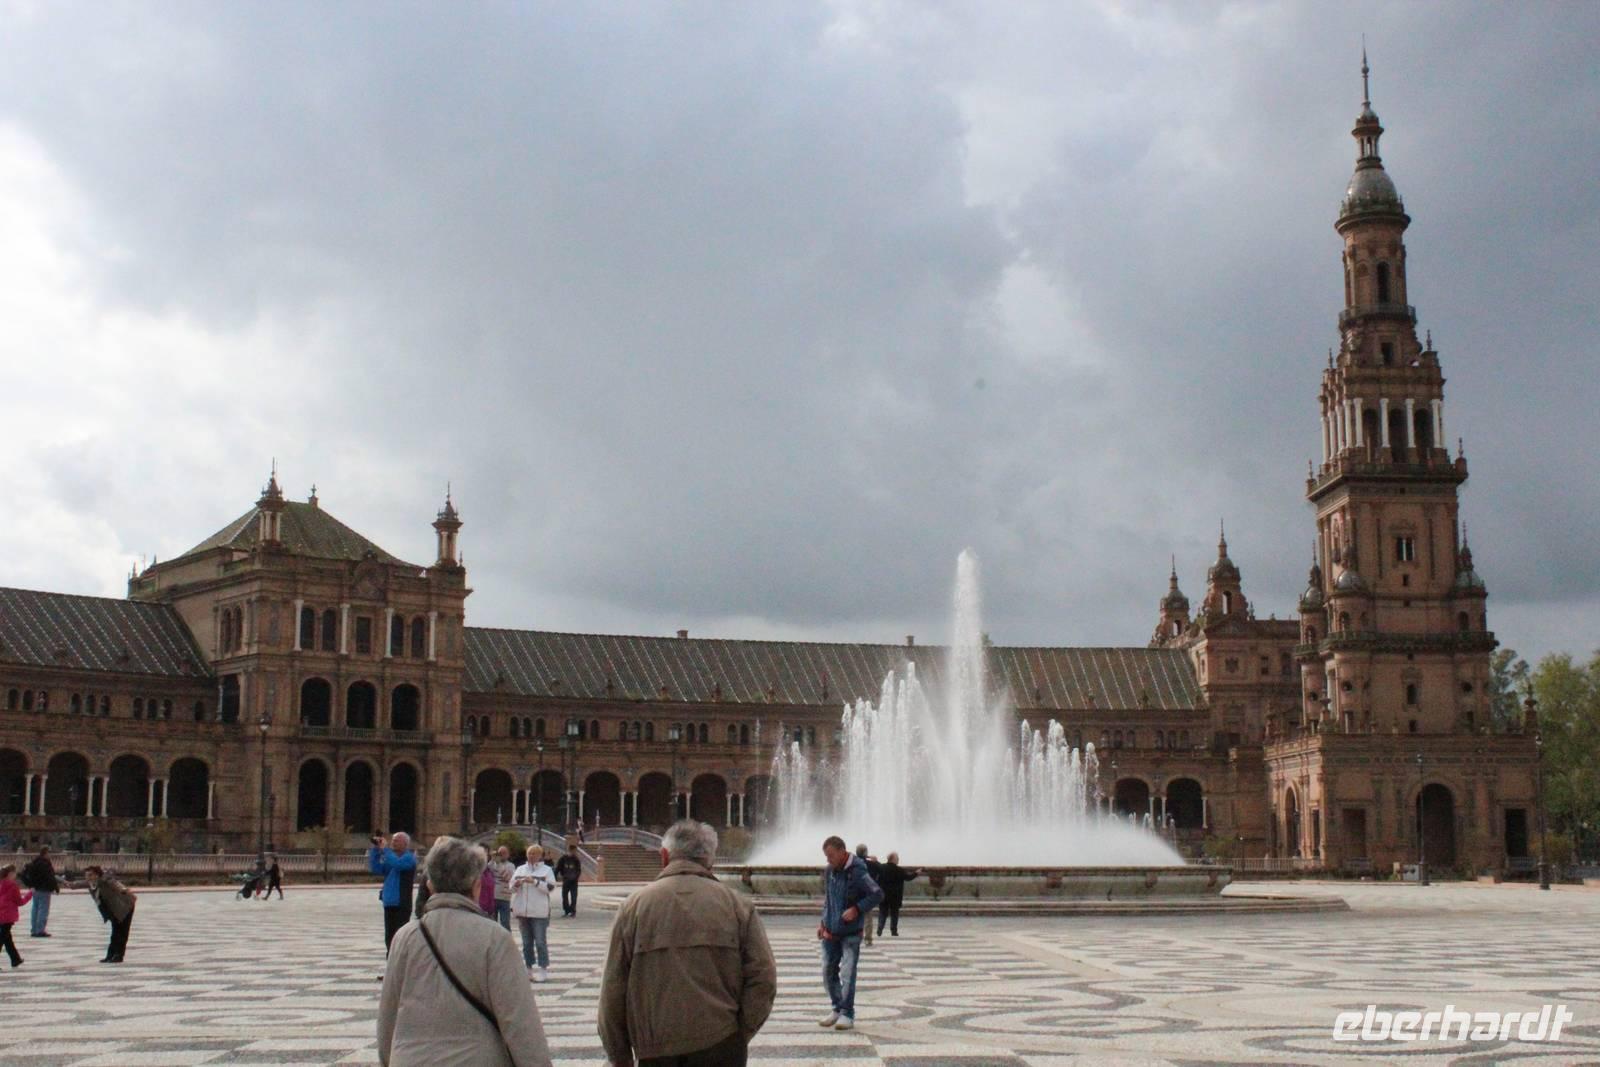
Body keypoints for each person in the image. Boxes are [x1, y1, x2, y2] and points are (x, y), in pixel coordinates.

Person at [599, 820, 777, 1067]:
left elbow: (612, 988)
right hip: (721, 1043)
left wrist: (620, 1056)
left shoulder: (634, 906)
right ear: (710, 859)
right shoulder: (737, 905)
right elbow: (764, 977)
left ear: (664, 856)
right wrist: (738, 1032)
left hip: (656, 1049)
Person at [376, 835, 553, 1067]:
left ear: (430, 886)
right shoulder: (495, 938)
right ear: (476, 885)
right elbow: (519, 1021)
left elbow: (387, 1015)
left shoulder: (405, 937)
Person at [817, 834, 882, 1031]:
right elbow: (829, 899)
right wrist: (822, 922)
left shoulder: (858, 872)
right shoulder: (830, 871)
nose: (828, 860)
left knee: (847, 972)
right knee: (827, 970)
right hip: (830, 930)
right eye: (826, 856)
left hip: (851, 932)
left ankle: (847, 1012)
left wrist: (857, 909)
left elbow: (877, 894)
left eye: (831, 856)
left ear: (842, 852)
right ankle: (837, 1007)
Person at [369, 832, 419, 958]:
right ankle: (390, 963)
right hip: (389, 902)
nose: (393, 843)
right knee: (389, 938)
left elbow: (398, 864)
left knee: (400, 937)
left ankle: (401, 963)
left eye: (396, 840)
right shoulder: (390, 857)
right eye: (393, 840)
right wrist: (375, 850)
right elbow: (376, 868)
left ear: (405, 844)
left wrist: (385, 850)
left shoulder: (409, 858)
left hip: (402, 903)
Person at [510, 845, 556, 982]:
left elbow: (550, 887)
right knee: (526, 943)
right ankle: (528, 969)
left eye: (534, 854)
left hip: (539, 912)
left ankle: (543, 969)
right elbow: (511, 887)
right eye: (529, 853)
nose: (531, 856)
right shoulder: (520, 869)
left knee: (540, 941)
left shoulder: (546, 870)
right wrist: (517, 884)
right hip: (523, 911)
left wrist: (535, 882)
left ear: (540, 855)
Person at [83, 865, 136, 963]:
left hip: (125, 907)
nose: (88, 878)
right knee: (115, 932)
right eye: (86, 875)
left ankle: (118, 956)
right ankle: (110, 955)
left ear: (97, 875)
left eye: (90, 875)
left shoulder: (105, 880)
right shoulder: (92, 884)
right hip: (114, 909)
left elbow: (115, 884)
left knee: (121, 932)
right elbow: (75, 884)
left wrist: (124, 889)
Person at [874, 852, 920, 937]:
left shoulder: (882, 868)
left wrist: (876, 861)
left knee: (882, 913)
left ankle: (879, 929)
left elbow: (877, 868)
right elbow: (908, 878)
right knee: (894, 914)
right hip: (895, 896)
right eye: (897, 858)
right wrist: (916, 873)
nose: (898, 859)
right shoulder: (899, 870)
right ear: (893, 859)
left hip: (883, 896)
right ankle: (894, 931)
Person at [0, 864, 34, 968]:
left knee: (7, 939)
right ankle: (15, 959)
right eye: (15, 873)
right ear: (10, 874)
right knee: (2, 938)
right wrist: (30, 894)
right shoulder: (12, 885)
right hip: (8, 915)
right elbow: (20, 902)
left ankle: (15, 959)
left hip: (1, 914)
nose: (15, 875)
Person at [21, 846, 59, 937]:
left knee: (35, 909)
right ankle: (40, 930)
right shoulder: (45, 864)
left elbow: (23, 875)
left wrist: (30, 885)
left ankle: (34, 930)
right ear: (46, 853)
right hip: (44, 889)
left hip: (36, 889)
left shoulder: (34, 862)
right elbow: (50, 877)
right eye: (49, 853)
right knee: (43, 910)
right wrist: (55, 887)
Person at [853, 844, 881, 945]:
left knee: (854, 916)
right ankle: (868, 939)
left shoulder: (853, 863)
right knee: (868, 917)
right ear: (866, 852)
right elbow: (882, 870)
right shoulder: (871, 864)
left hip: (854, 893)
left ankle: (854, 937)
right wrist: (876, 861)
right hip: (868, 894)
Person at [489, 846, 516, 930]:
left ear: (508, 854)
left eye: (504, 853)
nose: (501, 855)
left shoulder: (510, 865)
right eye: (499, 853)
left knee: (505, 923)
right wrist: (492, 859)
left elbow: (507, 877)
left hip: (504, 897)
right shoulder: (492, 864)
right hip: (493, 897)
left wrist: (498, 863)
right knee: (492, 923)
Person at [554, 845, 582, 918]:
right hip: (566, 880)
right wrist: (554, 877)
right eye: (573, 851)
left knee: (574, 896)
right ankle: (566, 911)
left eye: (575, 851)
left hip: (574, 881)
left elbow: (578, 870)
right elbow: (558, 868)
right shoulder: (563, 858)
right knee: (564, 896)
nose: (574, 852)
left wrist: (575, 877)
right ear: (569, 850)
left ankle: (573, 911)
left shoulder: (576, 859)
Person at [477, 847, 498, 918]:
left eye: (486, 853)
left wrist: (491, 908)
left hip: (488, 910)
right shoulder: (473, 870)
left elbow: (491, 890)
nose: (485, 855)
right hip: (476, 909)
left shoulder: (489, 871)